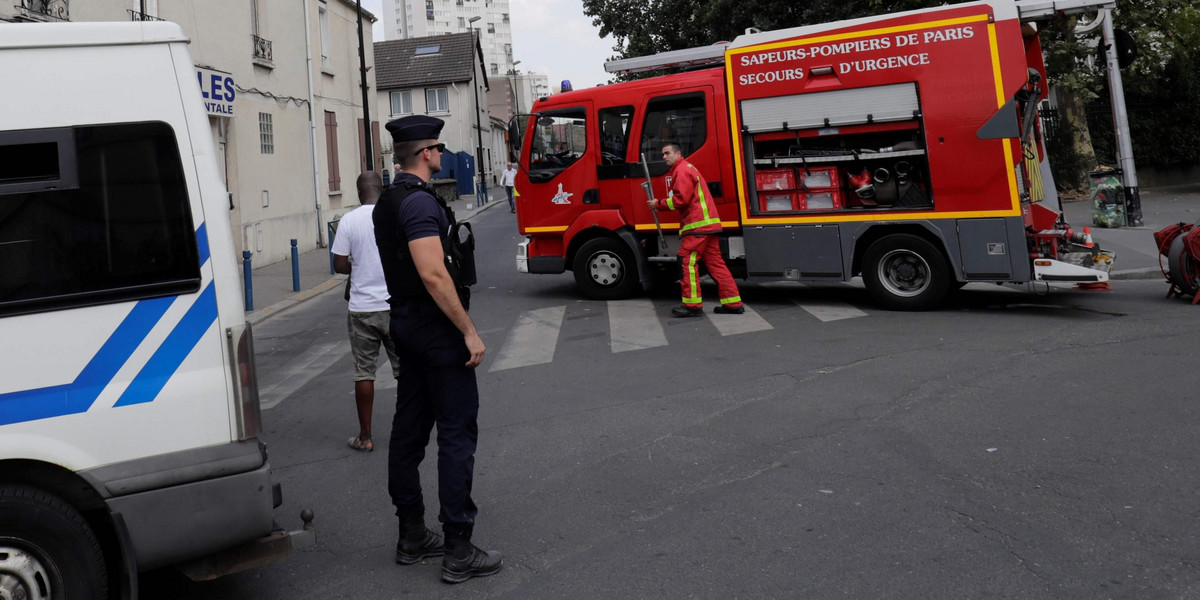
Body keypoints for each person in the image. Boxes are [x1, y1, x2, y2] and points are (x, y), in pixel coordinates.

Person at [373, 115, 502, 584]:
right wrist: (467, 330)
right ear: (426, 153)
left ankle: (411, 534)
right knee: (455, 434)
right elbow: (432, 273)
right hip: (435, 330)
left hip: (405, 324)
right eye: (439, 149)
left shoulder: (388, 201)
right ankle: (459, 548)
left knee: (408, 431)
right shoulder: (421, 205)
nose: (443, 155)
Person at [331, 172, 400, 453]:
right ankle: (410, 430)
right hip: (393, 305)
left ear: (358, 192)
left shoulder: (348, 221)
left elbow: (339, 264)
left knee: (364, 373)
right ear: (381, 190)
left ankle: (365, 437)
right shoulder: (394, 215)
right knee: (405, 371)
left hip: (361, 309)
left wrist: (356, 266)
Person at [648, 143, 744, 318]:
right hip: (708, 226)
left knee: (686, 261)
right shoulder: (687, 168)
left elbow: (681, 200)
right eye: (662, 154)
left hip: (697, 226)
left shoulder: (681, 170)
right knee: (716, 265)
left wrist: (658, 204)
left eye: (667, 153)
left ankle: (692, 305)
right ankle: (733, 303)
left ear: (678, 153)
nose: (664, 157)